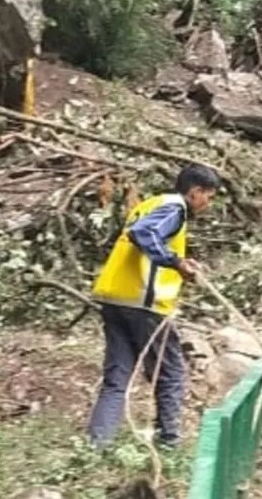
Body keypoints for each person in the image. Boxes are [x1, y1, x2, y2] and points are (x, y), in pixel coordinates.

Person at [87, 164, 220, 448]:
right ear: (195, 192)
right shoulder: (176, 208)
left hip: (115, 298)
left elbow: (142, 237)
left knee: (117, 377)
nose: (208, 204)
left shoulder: (151, 203)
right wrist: (175, 262)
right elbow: (143, 233)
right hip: (143, 304)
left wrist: (181, 262)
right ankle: (169, 444)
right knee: (171, 371)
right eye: (208, 196)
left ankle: (96, 445)